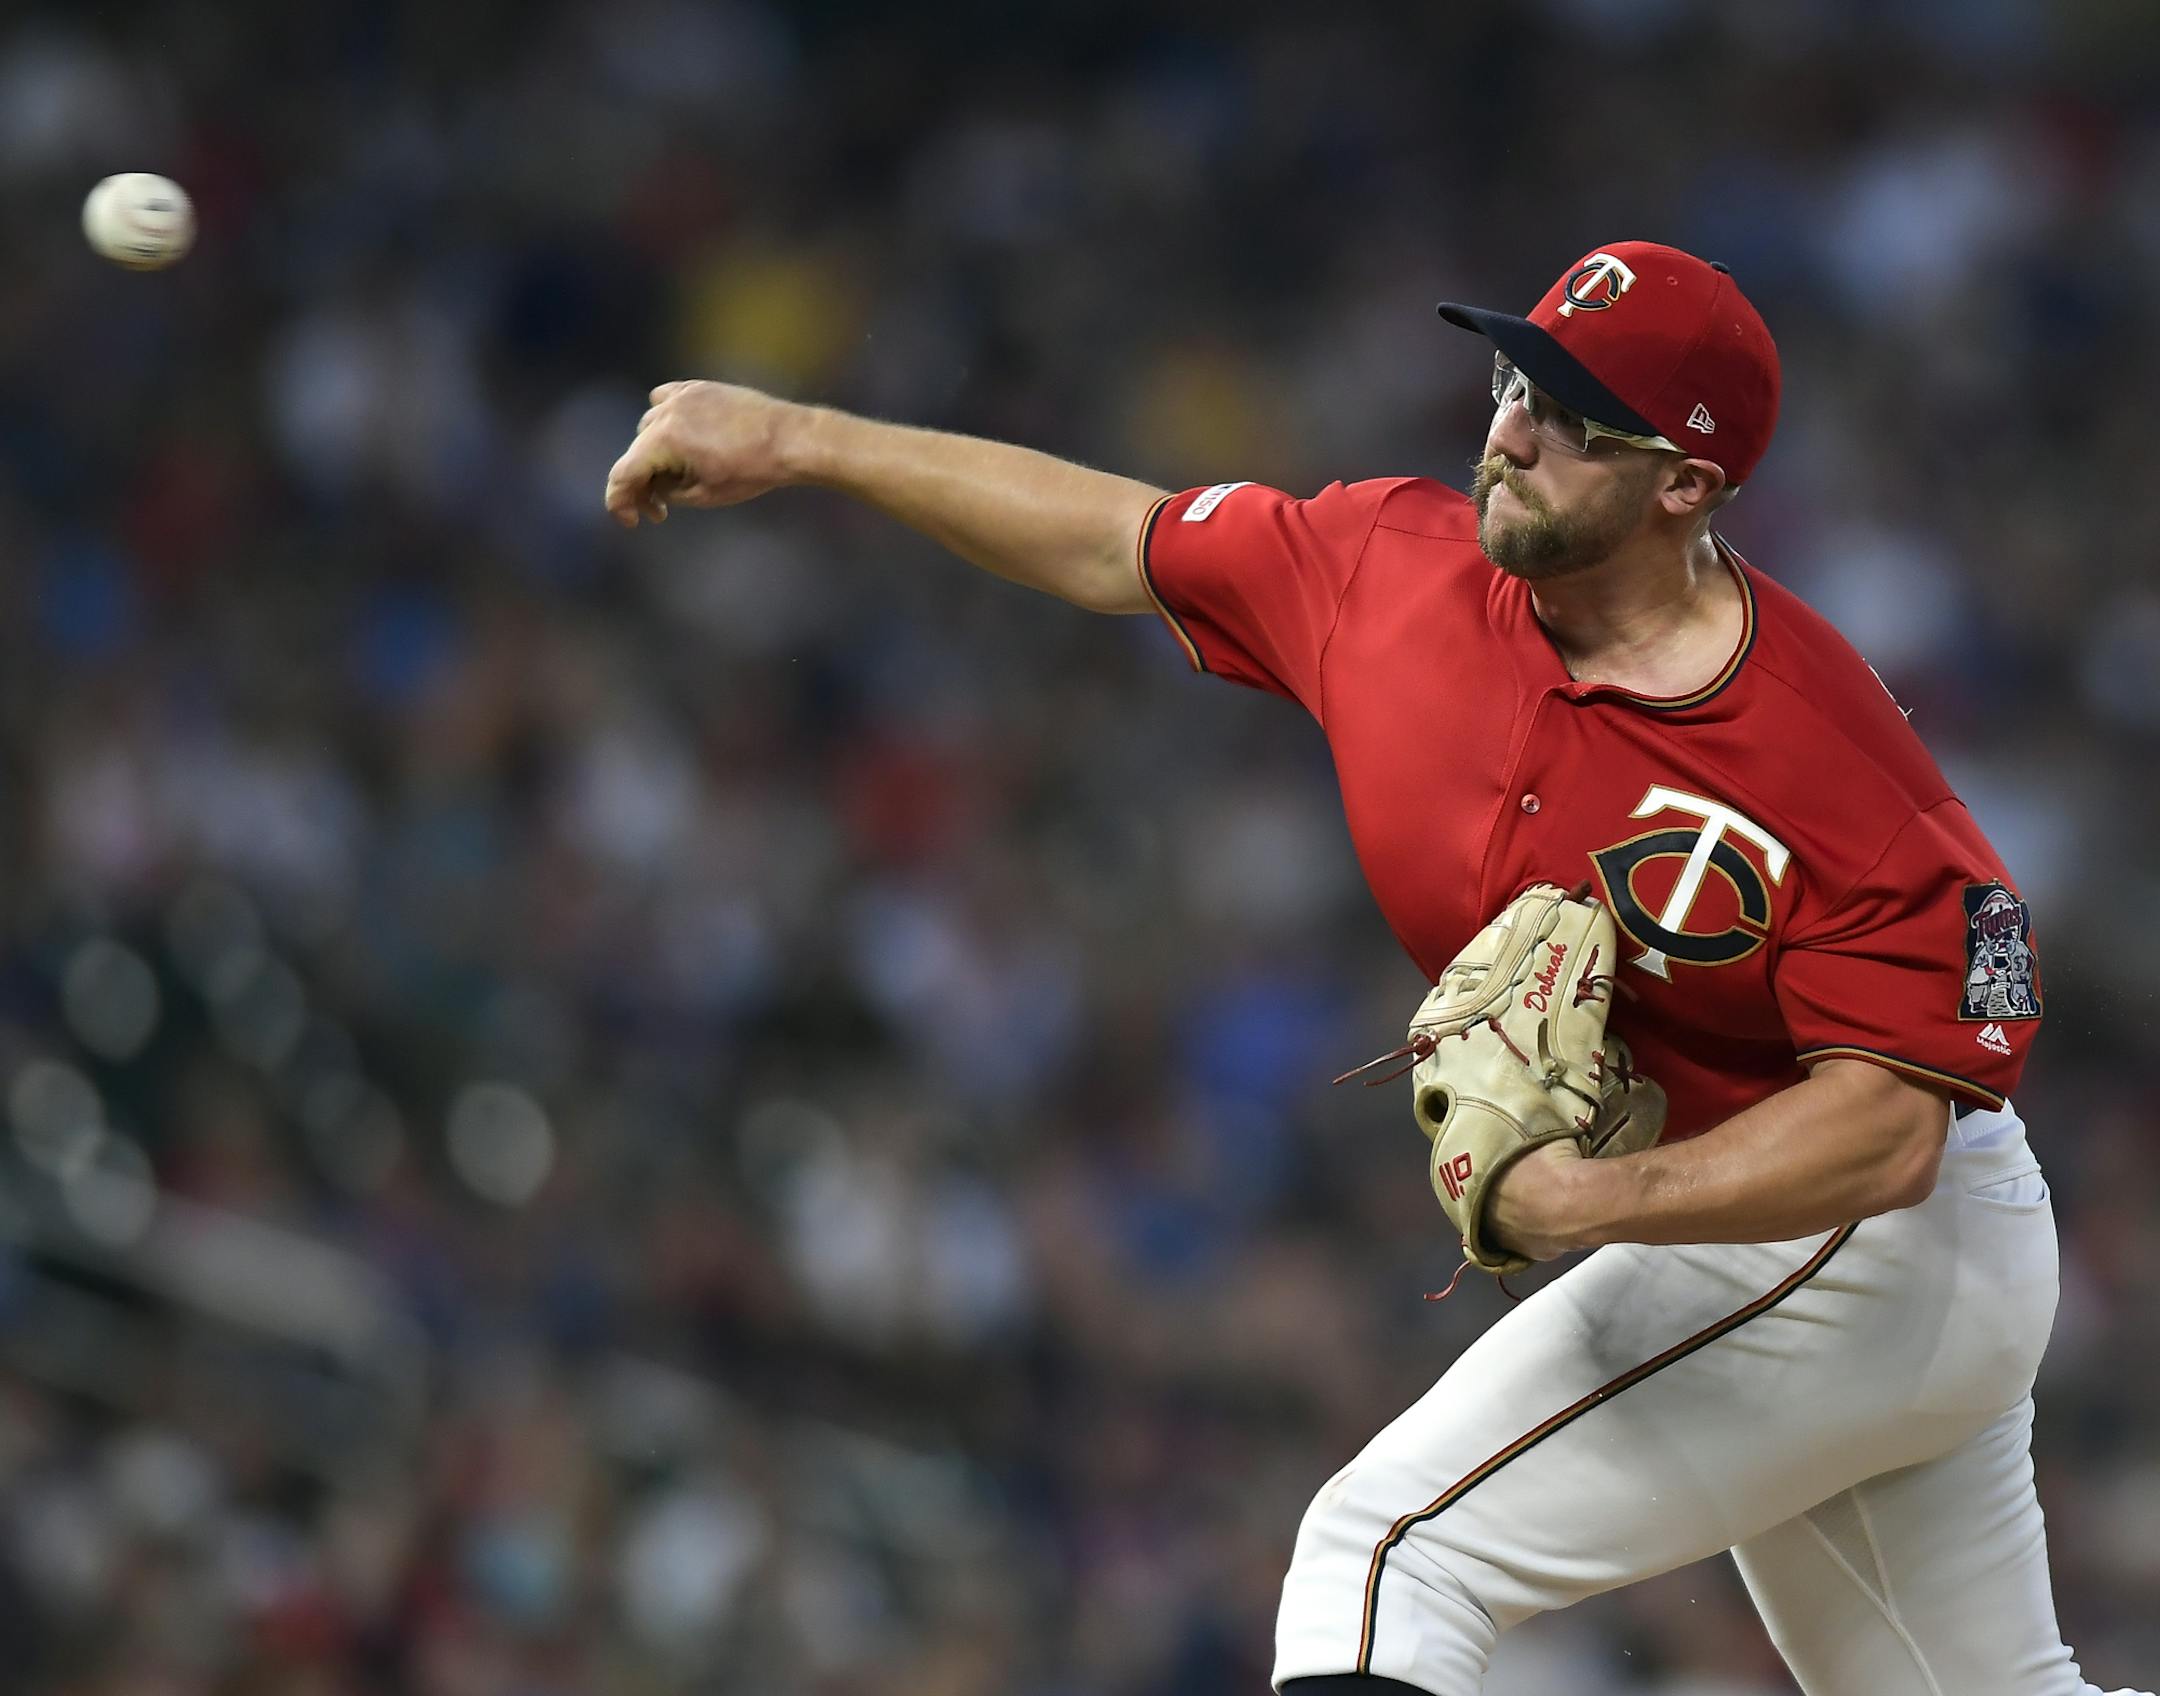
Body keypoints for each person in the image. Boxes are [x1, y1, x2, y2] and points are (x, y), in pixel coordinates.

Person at [605, 241, 2145, 1696]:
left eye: (1574, 419)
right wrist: (801, 436)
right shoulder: (1387, 568)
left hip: (1866, 1233)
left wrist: (1585, 1203)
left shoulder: (1832, 762)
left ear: (1684, 483)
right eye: (1515, 386)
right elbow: (1111, 536)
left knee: (1386, 1554)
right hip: (1813, 1247)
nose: (1517, 434)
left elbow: (1891, 1129)